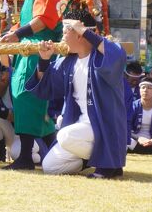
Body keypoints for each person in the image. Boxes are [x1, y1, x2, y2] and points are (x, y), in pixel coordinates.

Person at [0, 0, 75, 170]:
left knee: (26, 97)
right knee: (26, 101)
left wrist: (17, 34)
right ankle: (55, 153)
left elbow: (43, 20)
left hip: (38, 49)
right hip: (27, 48)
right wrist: (14, 34)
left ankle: (24, 159)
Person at [26, 10, 128, 178]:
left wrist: (86, 31)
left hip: (103, 127)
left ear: (80, 33)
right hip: (80, 129)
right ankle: (92, 162)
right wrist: (44, 60)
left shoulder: (100, 55)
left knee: (65, 135)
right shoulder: (68, 61)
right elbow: (47, 86)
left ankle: (108, 166)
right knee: (50, 166)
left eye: (66, 30)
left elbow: (118, 55)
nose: (62, 35)